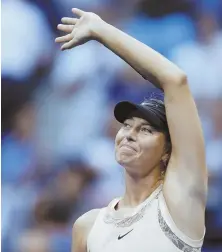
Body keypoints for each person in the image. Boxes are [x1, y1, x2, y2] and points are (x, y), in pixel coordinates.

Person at [55, 8, 208, 252]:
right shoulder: (87, 226)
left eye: (146, 130)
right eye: (126, 126)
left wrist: (101, 30)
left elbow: (175, 80)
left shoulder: (180, 203)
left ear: (167, 151)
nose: (129, 133)